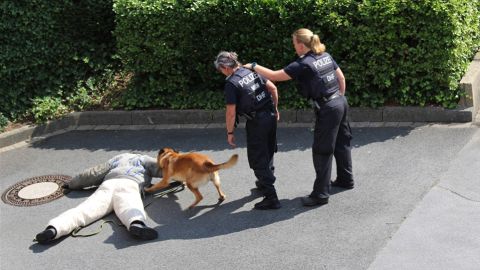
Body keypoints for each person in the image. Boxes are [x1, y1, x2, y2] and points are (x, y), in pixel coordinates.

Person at [244, 28, 354, 207]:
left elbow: (274, 76)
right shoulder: (325, 55)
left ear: (301, 45)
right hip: (340, 101)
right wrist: (339, 99)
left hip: (328, 107)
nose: (294, 47)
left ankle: (320, 195)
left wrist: (253, 66)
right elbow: (340, 77)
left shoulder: (303, 64)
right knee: (342, 142)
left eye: (294, 44)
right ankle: (345, 179)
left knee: (322, 150)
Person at [35, 153, 165, 244]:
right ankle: (136, 223)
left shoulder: (115, 160)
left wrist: (71, 184)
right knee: (130, 206)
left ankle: (54, 229)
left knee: (83, 211)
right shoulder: (143, 160)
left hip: (108, 185)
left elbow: (92, 174)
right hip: (129, 184)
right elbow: (164, 168)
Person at [214, 51, 281, 210]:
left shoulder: (232, 83)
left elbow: (231, 112)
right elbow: (272, 88)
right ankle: (264, 182)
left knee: (257, 159)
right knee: (268, 149)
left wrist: (230, 133)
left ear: (225, 67)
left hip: (257, 121)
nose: (221, 73)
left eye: (220, 70)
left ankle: (271, 197)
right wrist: (276, 109)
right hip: (270, 115)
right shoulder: (250, 70)